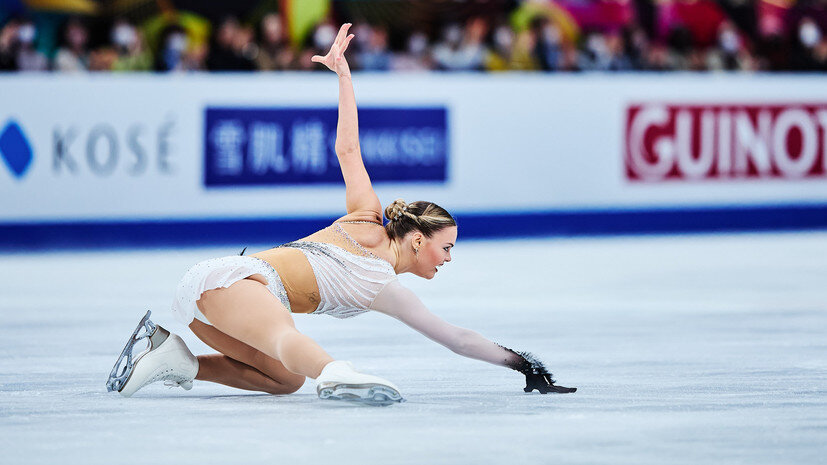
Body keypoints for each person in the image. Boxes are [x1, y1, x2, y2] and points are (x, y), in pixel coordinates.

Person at [106, 23, 575, 406]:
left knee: (285, 380)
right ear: (417, 240)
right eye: (446, 247)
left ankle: (171, 358)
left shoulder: (372, 234)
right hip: (239, 283)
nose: (449, 258)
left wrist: (526, 365)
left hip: (221, 303)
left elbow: (349, 150)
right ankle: (336, 373)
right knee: (287, 342)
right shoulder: (372, 240)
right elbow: (347, 147)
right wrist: (343, 77)